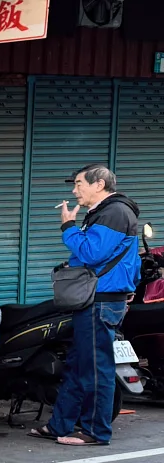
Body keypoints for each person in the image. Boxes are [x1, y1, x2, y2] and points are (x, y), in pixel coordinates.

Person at [31, 165, 142, 447]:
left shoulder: (114, 212)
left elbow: (92, 253)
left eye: (79, 184)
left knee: (95, 368)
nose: (74, 191)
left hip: (100, 301)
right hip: (97, 299)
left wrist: (68, 226)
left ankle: (96, 431)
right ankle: (60, 425)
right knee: (78, 365)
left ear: (99, 184)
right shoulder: (106, 212)